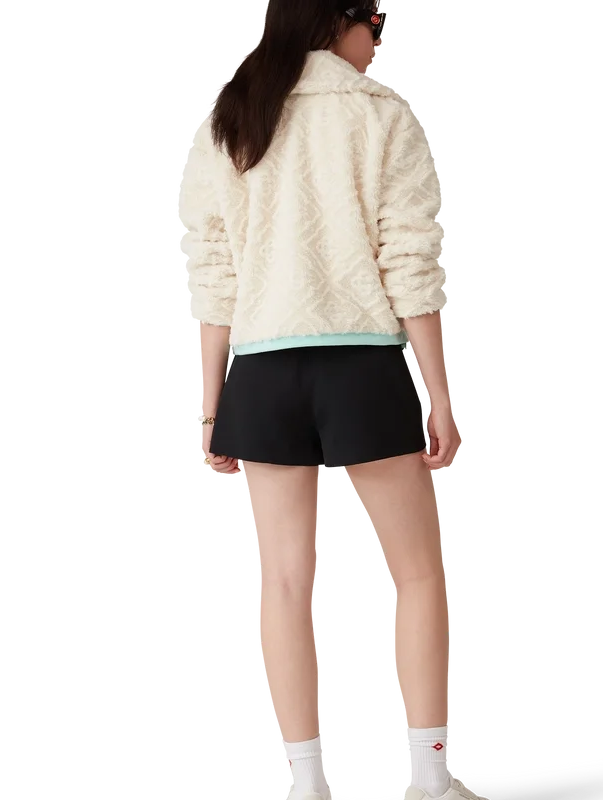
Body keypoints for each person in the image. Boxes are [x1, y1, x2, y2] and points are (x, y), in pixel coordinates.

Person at [177, 3, 487, 799]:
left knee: (282, 585)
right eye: (377, 23)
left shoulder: (233, 116)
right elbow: (409, 261)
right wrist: (439, 392)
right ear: (337, 20)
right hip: (362, 367)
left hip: (260, 373)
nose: (380, 41)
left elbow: (212, 275)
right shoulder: (381, 115)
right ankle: (428, 778)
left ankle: (305, 785)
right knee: (417, 575)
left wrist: (210, 410)